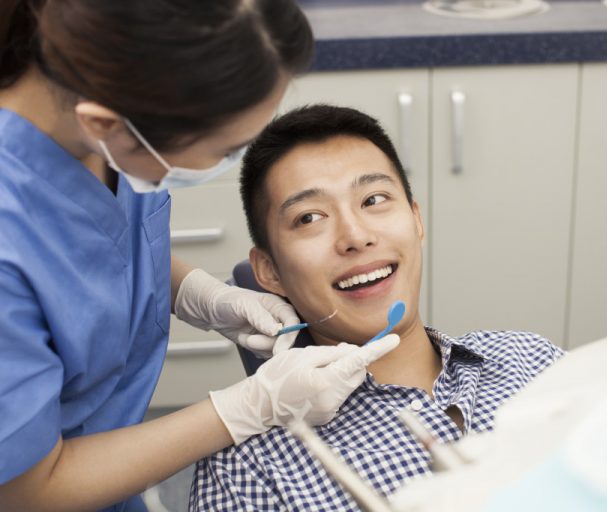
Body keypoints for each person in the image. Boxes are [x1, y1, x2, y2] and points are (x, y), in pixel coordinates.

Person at [0, 2, 399, 511]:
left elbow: (99, 250)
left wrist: (199, 294)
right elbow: (24, 490)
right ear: (105, 124)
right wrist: (247, 409)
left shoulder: (104, 115)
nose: (357, 238)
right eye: (225, 149)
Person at [191, 105, 565, 510]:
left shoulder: (532, 360)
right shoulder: (250, 469)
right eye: (310, 217)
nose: (355, 236)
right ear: (269, 271)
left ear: (416, 221)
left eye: (373, 199)